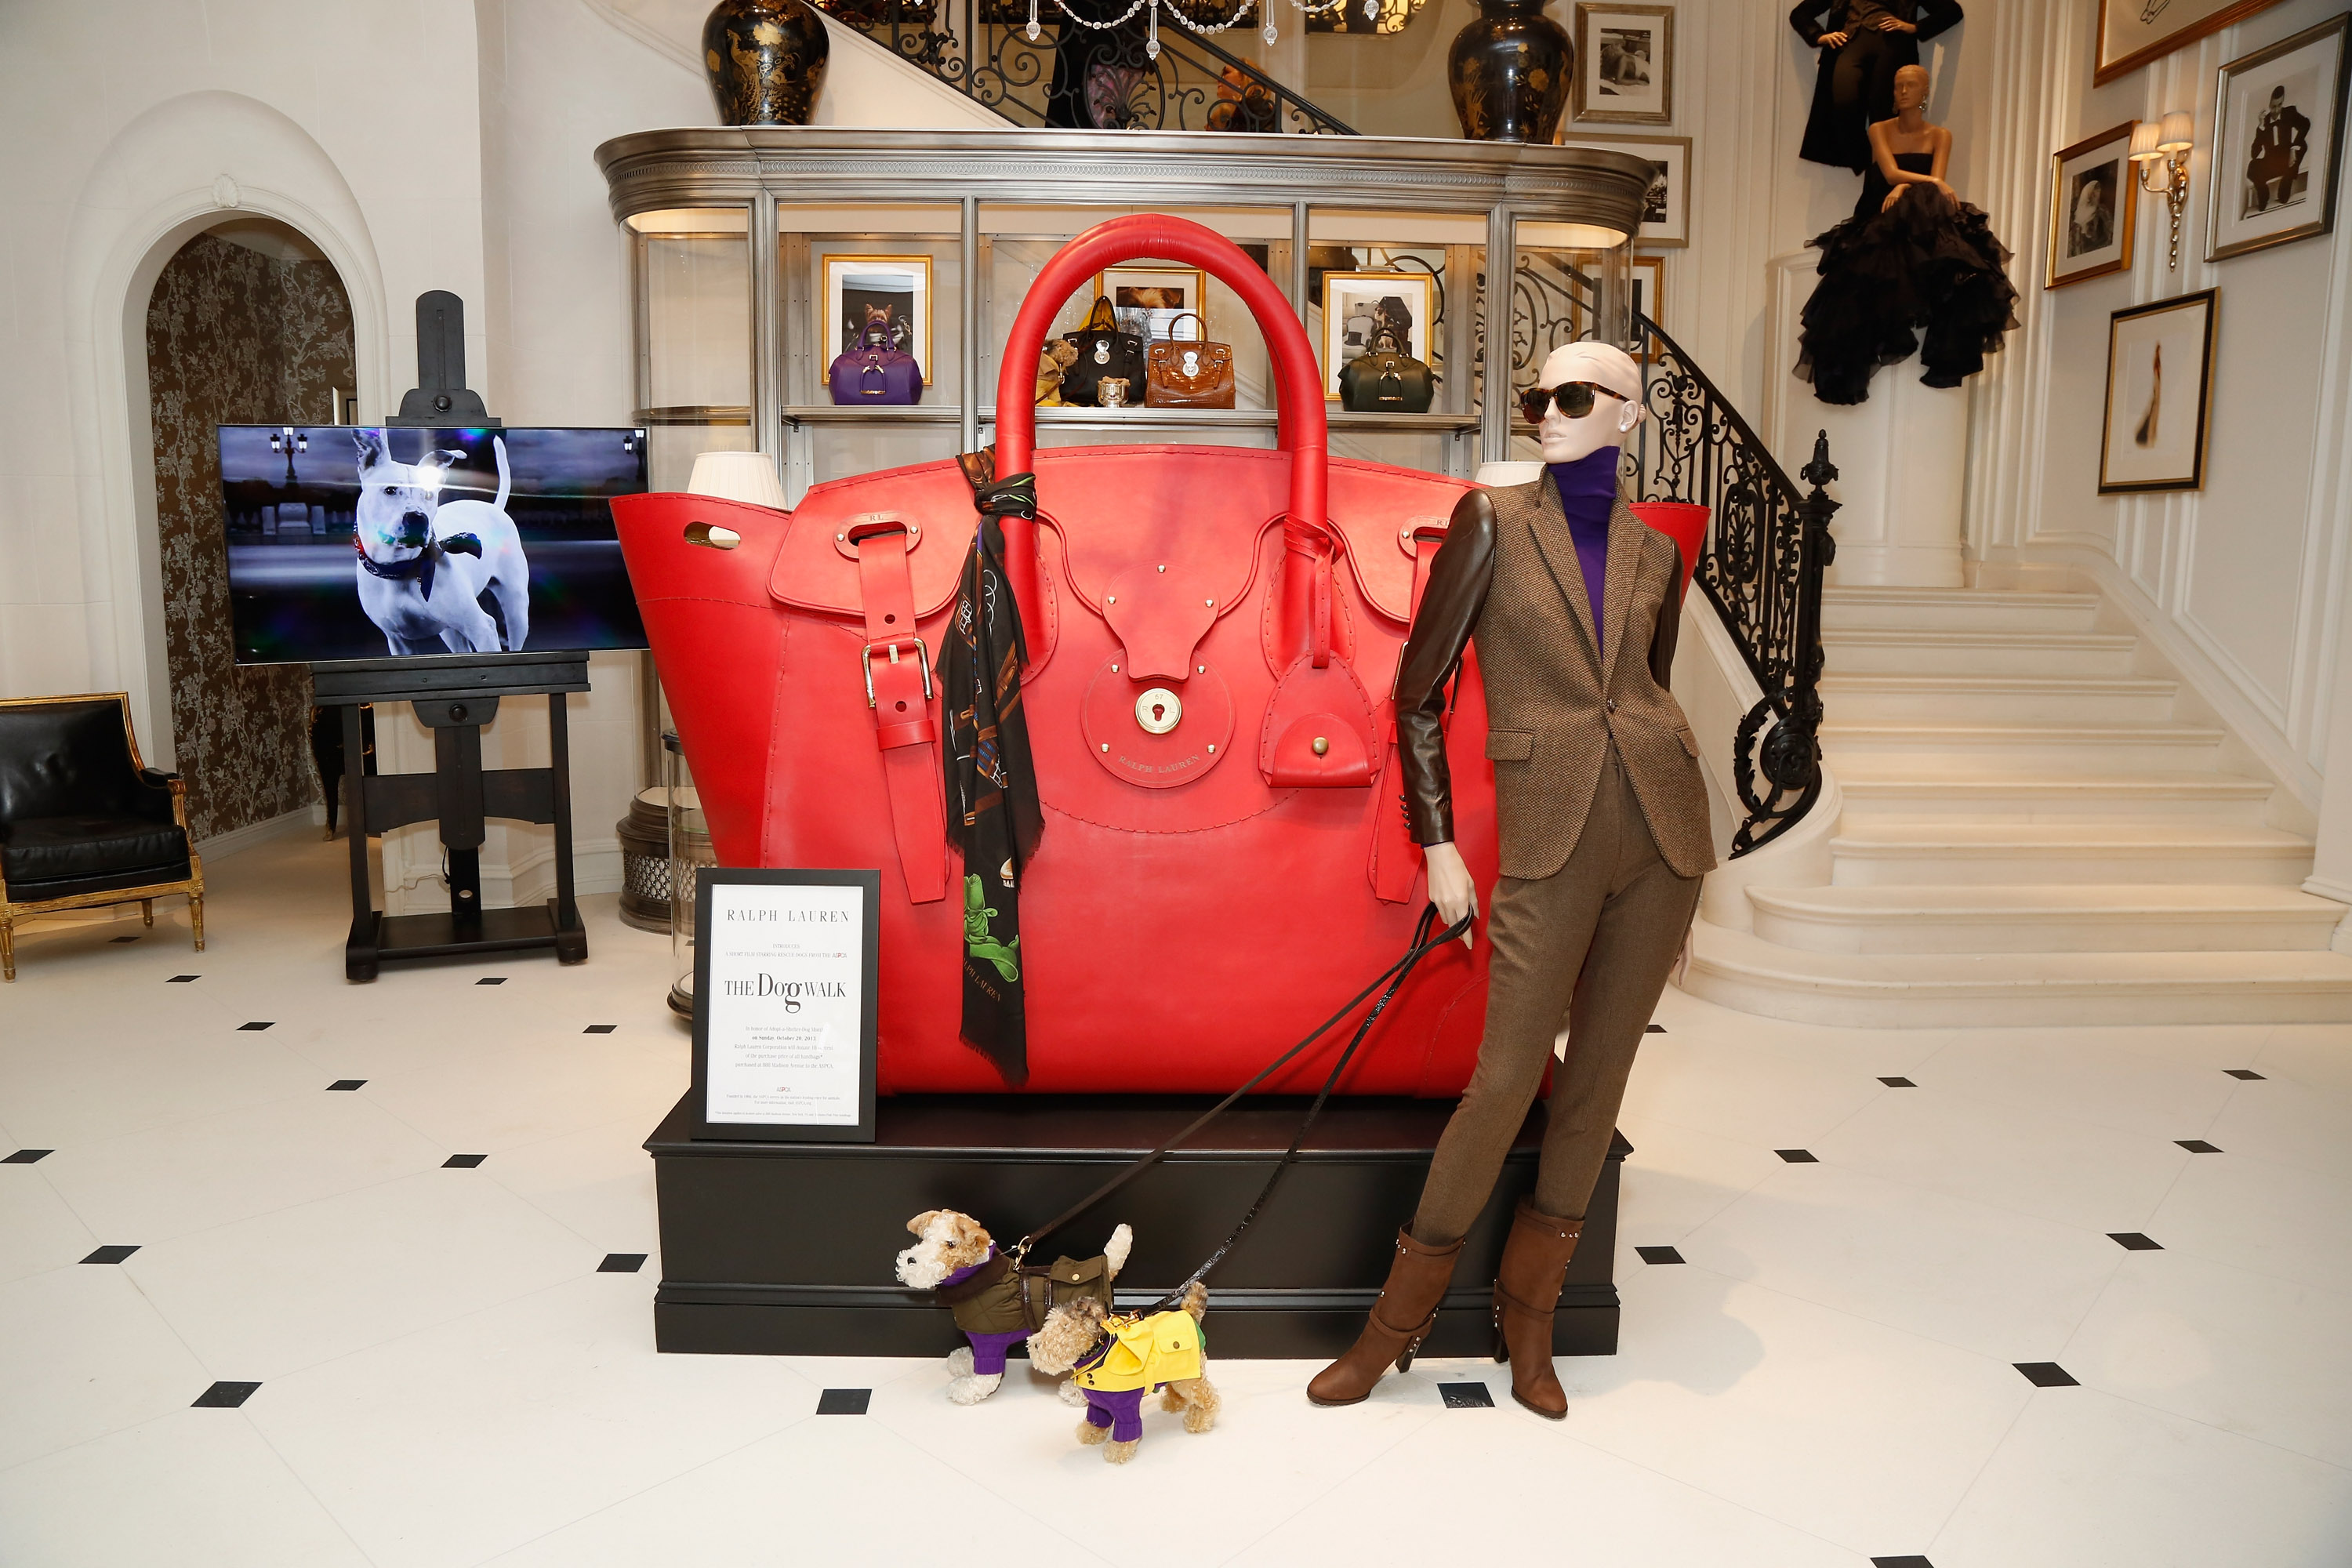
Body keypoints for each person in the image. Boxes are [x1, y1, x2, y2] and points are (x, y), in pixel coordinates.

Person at [1306, 340, 1715, 1421]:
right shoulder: (1490, 522)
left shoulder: (1655, 552)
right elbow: (1417, 693)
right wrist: (1438, 844)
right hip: (1548, 834)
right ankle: (1391, 1327)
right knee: (1503, 1083)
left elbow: (1647, 693)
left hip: (1662, 836)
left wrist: (1685, 866)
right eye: (1537, 397)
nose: (1547, 412)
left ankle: (1529, 1320)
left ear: (1628, 414)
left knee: (1598, 1085)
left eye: (1572, 396)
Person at [1794, 63, 2018, 404]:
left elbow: (1934, 188)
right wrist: (1911, 184)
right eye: (1898, 85)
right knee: (1860, 279)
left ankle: (1942, 351)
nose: (1901, 92)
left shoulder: (1940, 135)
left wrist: (1909, 188)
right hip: (1879, 210)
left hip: (1922, 212)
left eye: (1910, 85)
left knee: (1962, 259)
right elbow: (1892, 174)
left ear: (1925, 92)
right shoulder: (1879, 129)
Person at [1789, 0, 1963, 172]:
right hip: (1849, 43)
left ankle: (1881, 170)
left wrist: (1915, 28)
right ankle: (1864, 158)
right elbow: (1799, 14)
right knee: (1843, 103)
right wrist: (1818, 36)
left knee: (1885, 114)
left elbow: (1952, 11)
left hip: (1892, 48)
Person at [2245, 85, 2311, 213]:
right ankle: (2264, 195)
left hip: (2288, 161)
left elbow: (2305, 124)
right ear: (2269, 105)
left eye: (2280, 105)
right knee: (2252, 166)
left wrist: (2293, 149)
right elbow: (2254, 154)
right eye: (2273, 106)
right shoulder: (2264, 122)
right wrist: (2261, 127)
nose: (2276, 110)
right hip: (2271, 163)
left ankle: (2286, 183)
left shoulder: (2289, 113)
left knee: (2303, 145)